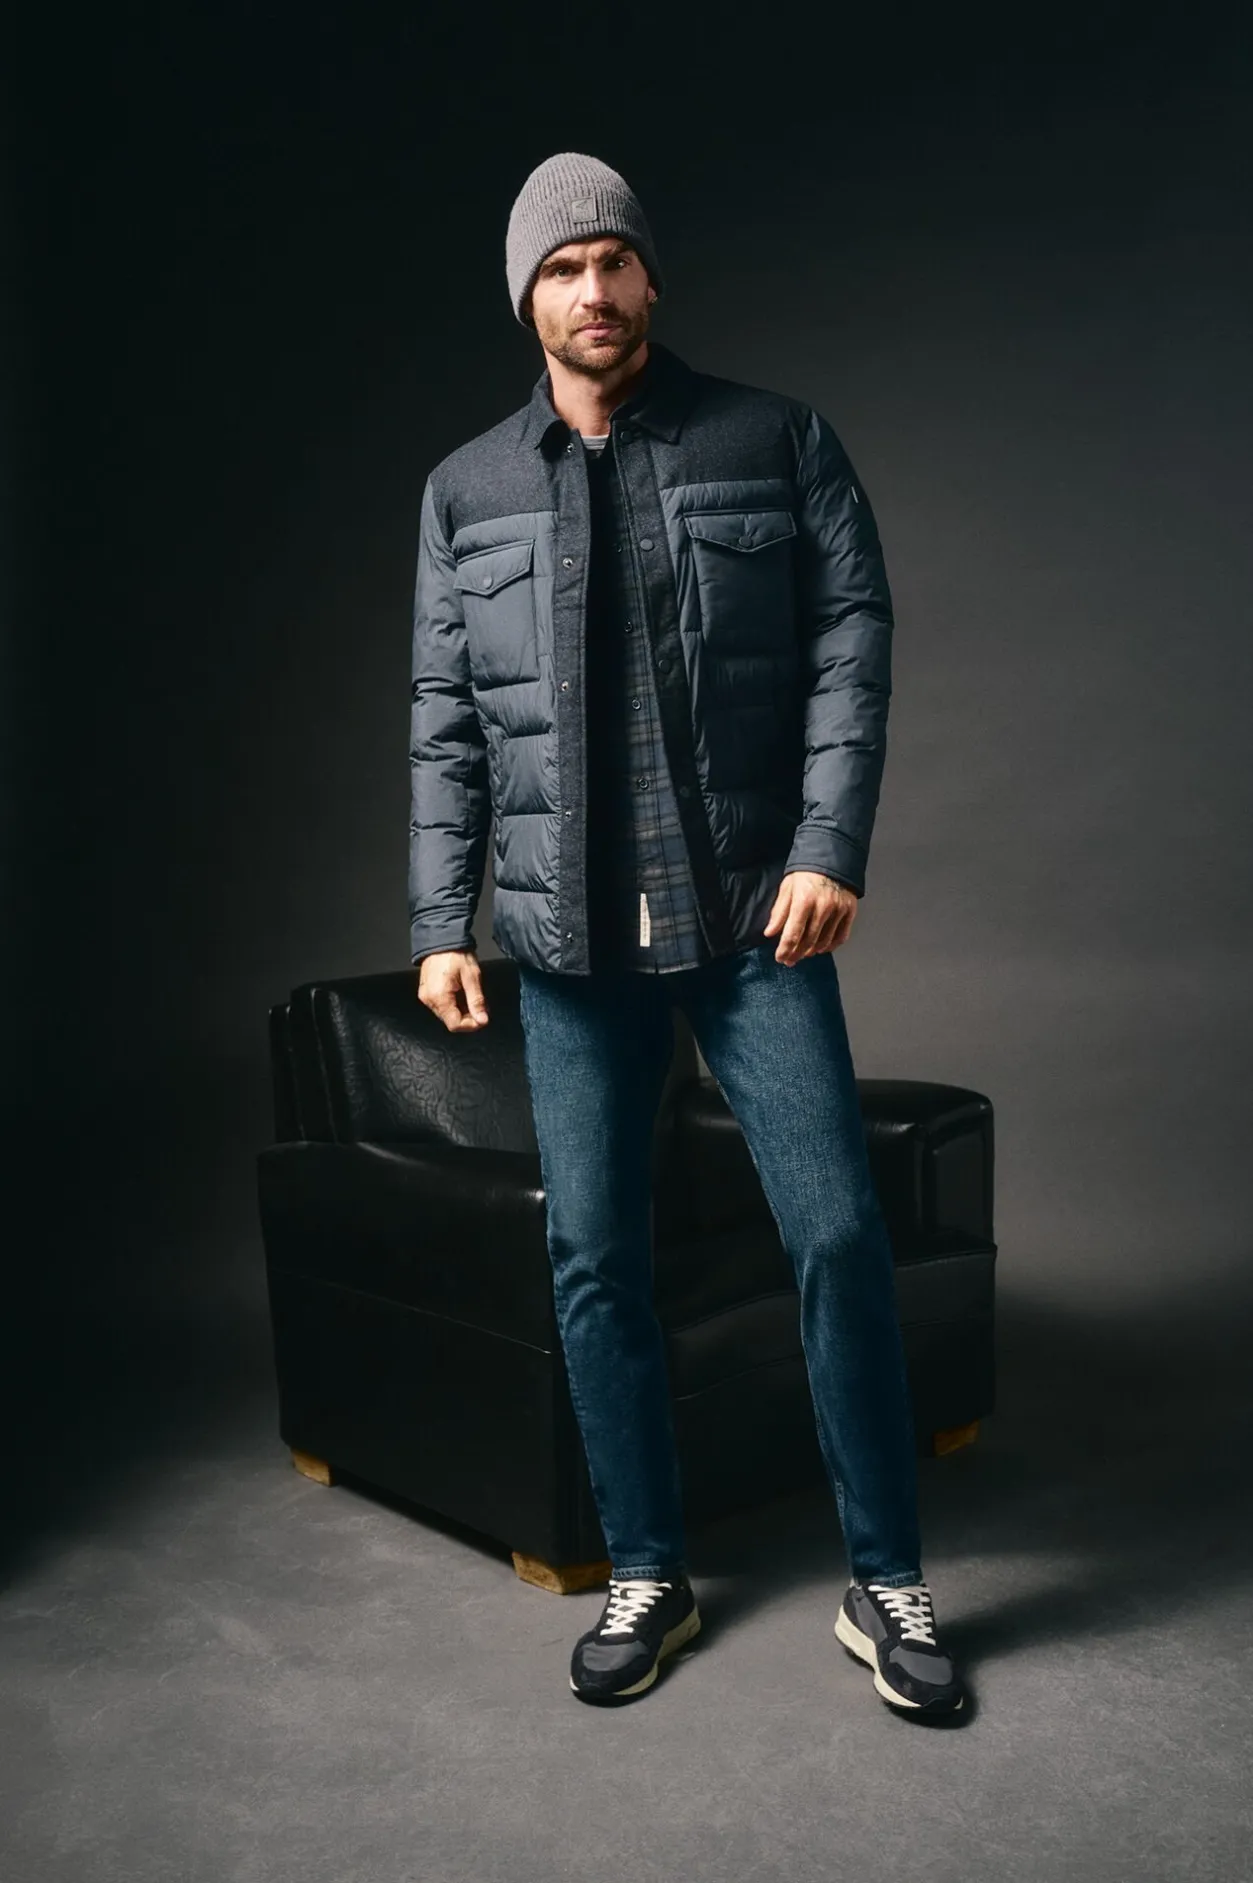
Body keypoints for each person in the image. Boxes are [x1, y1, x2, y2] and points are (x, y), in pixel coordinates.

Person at [408, 151, 966, 1716]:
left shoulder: (774, 439)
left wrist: (829, 845)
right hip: (568, 946)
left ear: (651, 277)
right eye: (561, 267)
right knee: (595, 1257)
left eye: (614, 260)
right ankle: (648, 1570)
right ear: (526, 297)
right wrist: (438, 918)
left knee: (838, 1235)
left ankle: (886, 1580)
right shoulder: (465, 491)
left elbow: (853, 634)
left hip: (749, 922)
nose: (592, 289)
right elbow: (444, 717)